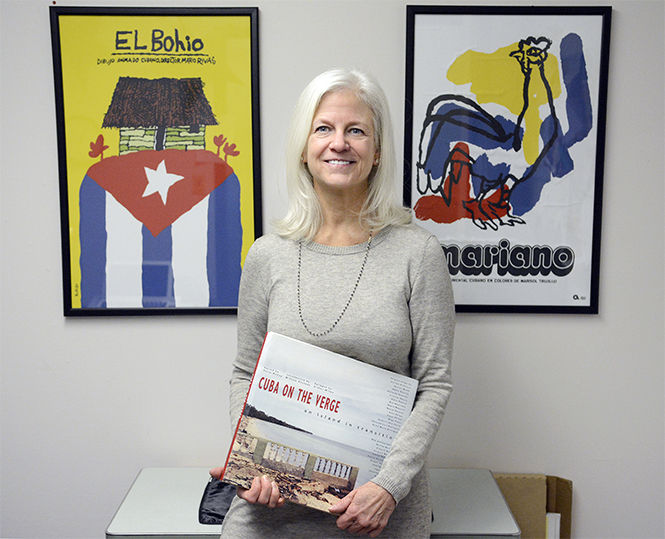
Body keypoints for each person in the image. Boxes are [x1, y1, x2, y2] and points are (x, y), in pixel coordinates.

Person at [214, 68, 455, 538]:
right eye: (323, 128)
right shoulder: (267, 255)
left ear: (378, 150)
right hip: (274, 510)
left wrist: (387, 487)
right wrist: (252, 461)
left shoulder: (418, 253)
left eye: (356, 130)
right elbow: (245, 372)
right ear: (304, 148)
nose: (339, 143)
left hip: (378, 514)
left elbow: (435, 384)